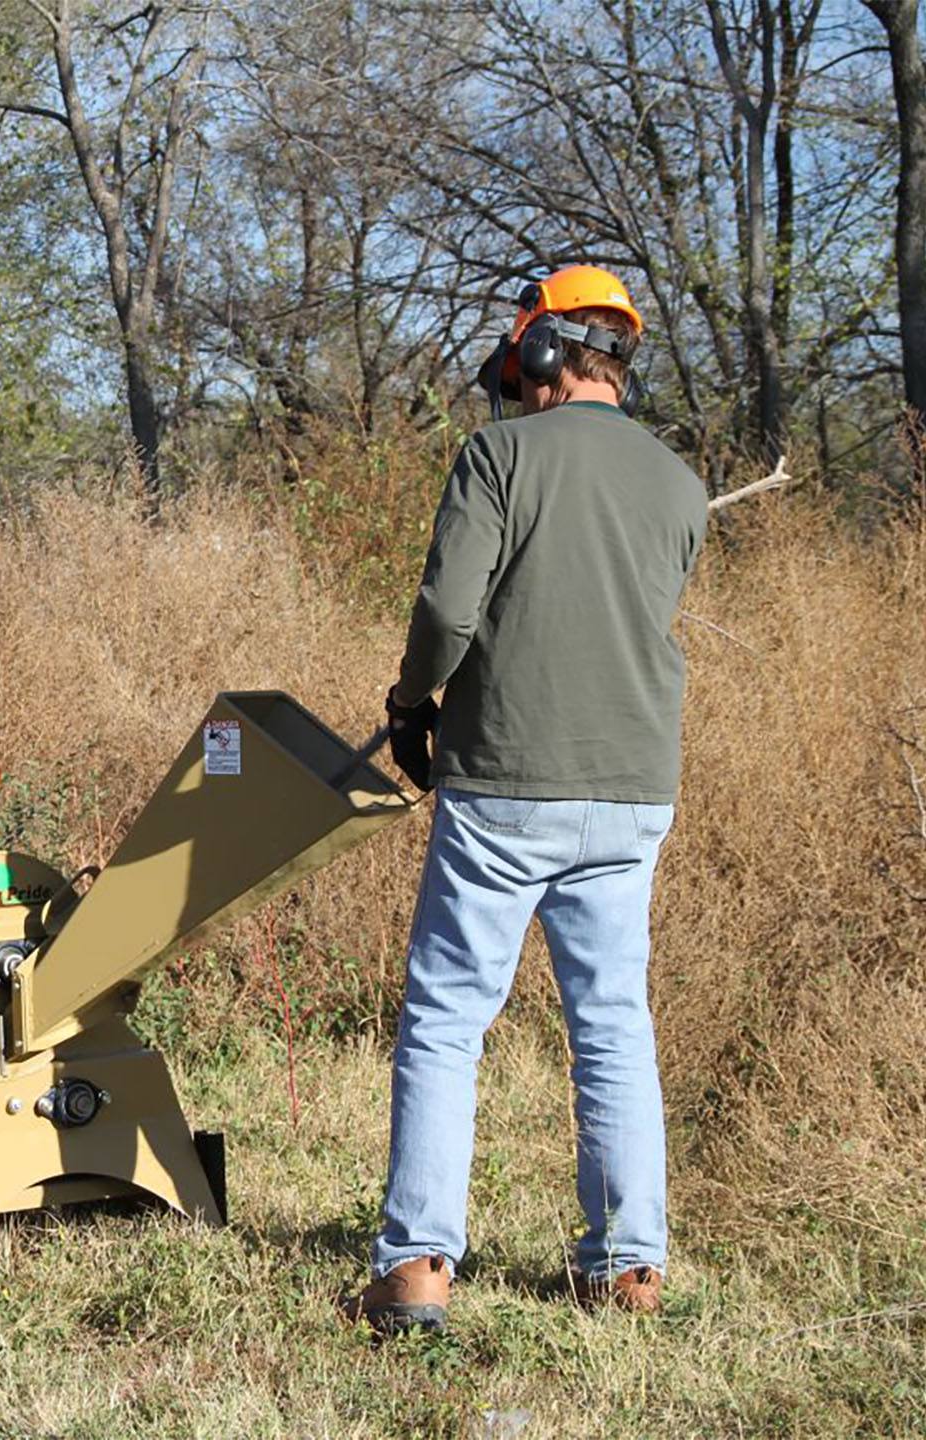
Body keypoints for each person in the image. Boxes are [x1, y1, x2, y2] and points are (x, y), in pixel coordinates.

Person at [346, 265, 707, 1335]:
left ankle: (415, 1267)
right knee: (611, 1026)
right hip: (634, 788)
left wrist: (412, 703)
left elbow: (451, 611)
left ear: (543, 353)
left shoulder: (497, 454)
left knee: (449, 1022)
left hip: (506, 781)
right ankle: (628, 1268)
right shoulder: (680, 484)